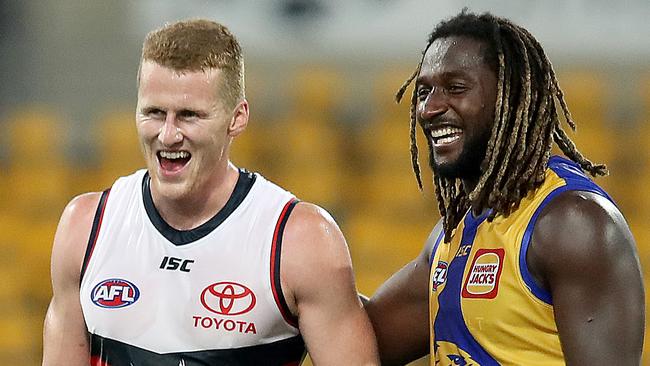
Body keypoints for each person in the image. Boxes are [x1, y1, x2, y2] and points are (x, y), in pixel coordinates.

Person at [42, 19, 379, 366]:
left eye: (189, 116)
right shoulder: (85, 227)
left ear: (237, 118)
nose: (168, 135)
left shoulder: (299, 240)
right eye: (155, 113)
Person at [365, 10, 645, 366]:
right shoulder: (451, 235)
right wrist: (289, 260)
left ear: (508, 96)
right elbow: (360, 339)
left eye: (455, 88)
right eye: (424, 91)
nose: (430, 107)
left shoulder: (573, 223)